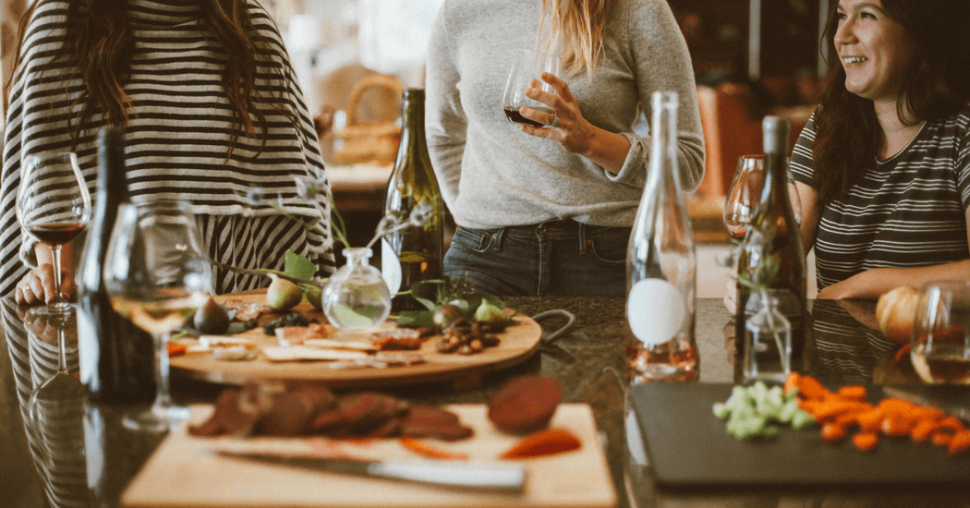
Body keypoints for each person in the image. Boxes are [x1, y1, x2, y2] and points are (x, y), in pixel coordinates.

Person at [2, 0, 335, 304]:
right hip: (116, 303)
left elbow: (298, 191)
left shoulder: (250, 24)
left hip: (247, 296)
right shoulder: (63, 20)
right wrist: (53, 277)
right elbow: (47, 179)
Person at [425, 0, 705, 297]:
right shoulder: (458, 11)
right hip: (484, 256)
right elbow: (442, 137)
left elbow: (687, 161)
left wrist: (591, 141)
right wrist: (471, 215)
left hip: (607, 256)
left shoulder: (637, 9)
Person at [789, 0, 970, 300]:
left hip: (931, 334)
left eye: (867, 15)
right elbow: (784, 248)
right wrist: (755, 276)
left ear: (920, 30)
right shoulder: (828, 122)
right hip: (836, 333)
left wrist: (864, 285)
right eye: (842, 16)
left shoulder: (962, 130)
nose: (842, 36)